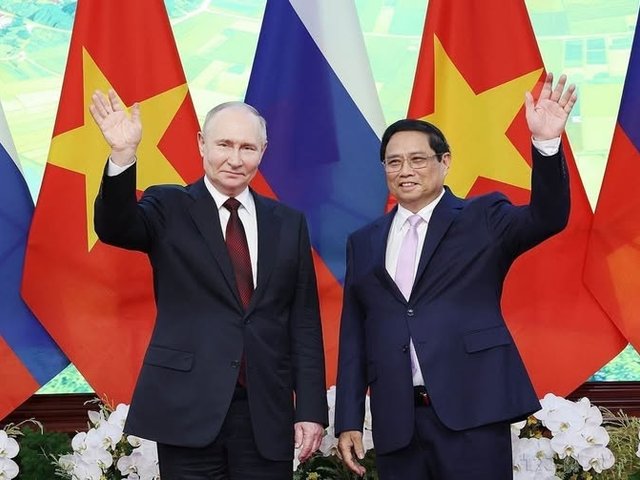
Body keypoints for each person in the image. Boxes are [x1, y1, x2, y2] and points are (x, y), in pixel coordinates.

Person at [334, 72, 577, 479]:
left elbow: (548, 217)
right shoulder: (364, 241)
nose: (405, 170)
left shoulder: (483, 217)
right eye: (394, 162)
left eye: (418, 159)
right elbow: (355, 334)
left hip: (473, 414)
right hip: (398, 424)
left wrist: (546, 144)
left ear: (444, 162)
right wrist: (348, 420)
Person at [90, 91, 328, 479]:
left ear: (263, 151)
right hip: (188, 409)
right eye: (224, 144)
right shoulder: (168, 205)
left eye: (247, 147)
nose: (235, 159)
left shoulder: (288, 223)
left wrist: (311, 410)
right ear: (202, 143)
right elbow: (115, 226)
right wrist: (122, 155)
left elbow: (304, 322)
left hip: (265, 412)